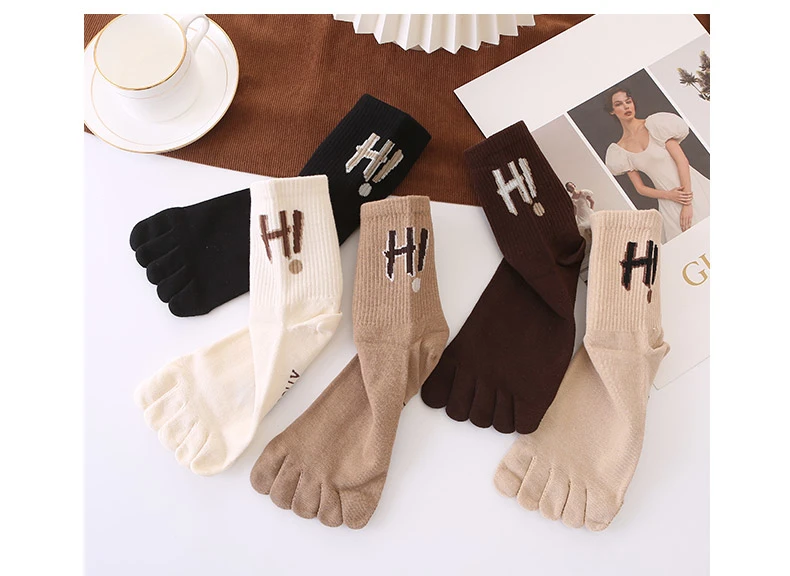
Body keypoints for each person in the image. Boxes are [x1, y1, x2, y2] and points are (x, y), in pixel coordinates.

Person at [603, 86, 710, 241]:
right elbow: (640, 188)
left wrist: (687, 203)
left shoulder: (655, 125)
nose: (626, 106)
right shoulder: (620, 150)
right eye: (619, 104)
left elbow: (682, 161)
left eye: (628, 101)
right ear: (612, 111)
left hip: (693, 189)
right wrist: (669, 195)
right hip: (668, 201)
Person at [565, 182, 593, 282]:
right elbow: (575, 211)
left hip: (587, 213)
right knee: (584, 232)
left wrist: (591, 211)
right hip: (581, 217)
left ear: (574, 185)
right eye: (569, 187)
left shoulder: (583, 192)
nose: (571, 187)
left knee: (591, 228)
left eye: (571, 185)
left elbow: (591, 201)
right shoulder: (573, 199)